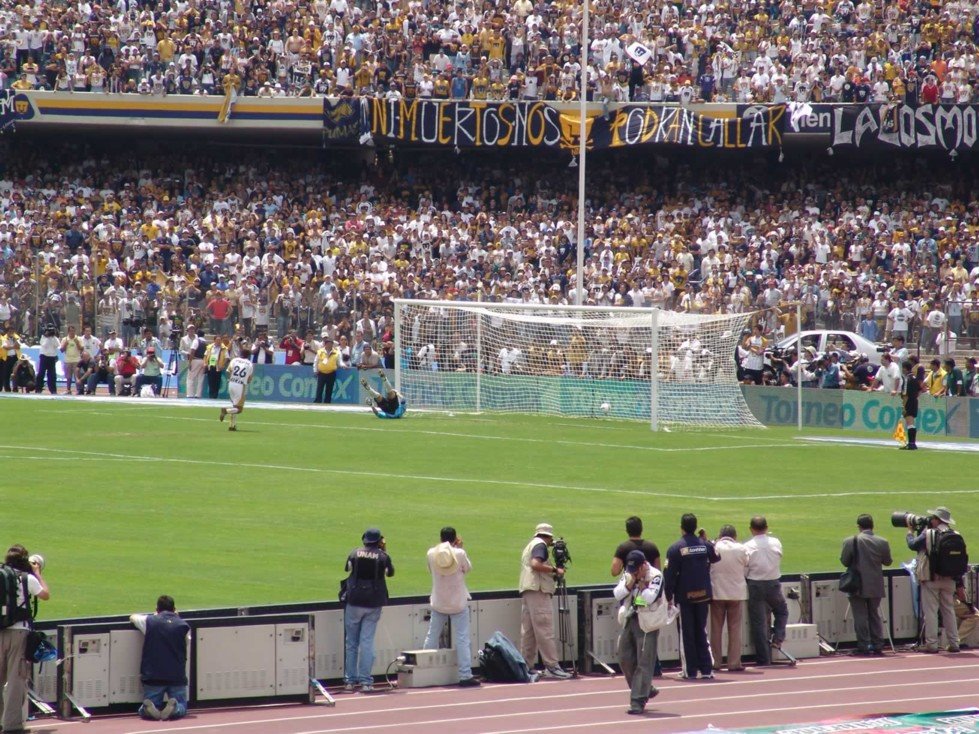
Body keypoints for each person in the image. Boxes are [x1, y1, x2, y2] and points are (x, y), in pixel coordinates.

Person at [0, 545, 50, 734]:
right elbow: (45, 594)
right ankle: (12, 726)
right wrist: (37, 573)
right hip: (18, 632)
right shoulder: (26, 578)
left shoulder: (2, 576)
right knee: (15, 679)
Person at [664, 513, 720, 679]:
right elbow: (716, 556)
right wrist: (706, 540)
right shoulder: (704, 545)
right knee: (701, 631)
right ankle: (707, 669)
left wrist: (668, 596)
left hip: (685, 596)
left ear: (681, 527)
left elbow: (670, 575)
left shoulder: (675, 548)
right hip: (703, 595)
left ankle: (690, 670)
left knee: (687, 633)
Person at [422, 527, 479, 687]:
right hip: (457, 602)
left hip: (438, 601)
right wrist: (458, 548)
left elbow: (430, 570)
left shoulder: (431, 553)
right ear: (455, 538)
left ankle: (424, 673)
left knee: (432, 636)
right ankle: (465, 675)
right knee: (462, 639)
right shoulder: (459, 553)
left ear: (440, 538)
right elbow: (467, 568)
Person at [517, 523, 572, 679]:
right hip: (538, 590)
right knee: (545, 629)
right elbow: (536, 564)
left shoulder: (531, 545)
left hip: (529, 590)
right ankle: (552, 666)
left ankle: (526, 666)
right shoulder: (540, 546)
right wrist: (555, 570)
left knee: (528, 632)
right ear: (547, 536)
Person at [343, 528, 395, 692]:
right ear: (379, 541)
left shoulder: (354, 553)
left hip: (354, 600)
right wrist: (383, 552)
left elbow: (347, 569)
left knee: (351, 643)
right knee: (366, 642)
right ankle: (366, 682)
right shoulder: (383, 556)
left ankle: (350, 681)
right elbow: (390, 573)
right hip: (373, 602)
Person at [907, 507, 964, 653]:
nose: (931, 519)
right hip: (950, 578)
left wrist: (909, 533)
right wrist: (959, 583)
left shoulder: (929, 533)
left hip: (931, 577)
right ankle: (954, 643)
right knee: (949, 611)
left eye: (933, 517)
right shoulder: (956, 534)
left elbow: (913, 545)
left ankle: (931, 644)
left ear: (937, 520)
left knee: (931, 611)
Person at [613, 549, 663, 715]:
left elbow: (650, 598)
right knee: (624, 658)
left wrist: (642, 586)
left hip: (648, 622)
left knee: (644, 662)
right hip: (630, 618)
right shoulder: (629, 575)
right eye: (631, 569)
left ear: (643, 565)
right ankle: (646, 687)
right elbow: (617, 593)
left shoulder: (656, 576)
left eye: (636, 569)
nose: (633, 572)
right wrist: (630, 583)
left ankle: (637, 701)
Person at [130, 595, 190, 721]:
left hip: (153, 675)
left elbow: (133, 617)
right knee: (182, 705)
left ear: (157, 609)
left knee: (151, 703)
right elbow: (186, 642)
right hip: (176, 676)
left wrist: (154, 615)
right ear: (174, 609)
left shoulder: (149, 621)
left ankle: (147, 708)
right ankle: (176, 708)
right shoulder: (183, 625)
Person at [840, 514, 892, 655]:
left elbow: (844, 561)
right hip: (875, 583)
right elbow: (888, 562)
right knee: (874, 614)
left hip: (857, 583)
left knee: (860, 615)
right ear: (872, 525)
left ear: (859, 526)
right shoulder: (882, 542)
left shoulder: (850, 541)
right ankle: (878, 644)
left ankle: (864, 645)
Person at [744, 515, 789, 666]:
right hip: (773, 583)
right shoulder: (775, 542)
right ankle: (778, 638)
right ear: (767, 528)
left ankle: (764, 659)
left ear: (751, 529)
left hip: (755, 584)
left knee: (759, 623)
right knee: (782, 611)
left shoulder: (748, 546)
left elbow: (745, 567)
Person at [709, 524, 748, 672]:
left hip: (717, 592)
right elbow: (747, 563)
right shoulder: (741, 548)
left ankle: (715, 661)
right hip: (735, 593)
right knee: (735, 628)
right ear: (735, 536)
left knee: (716, 629)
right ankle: (734, 662)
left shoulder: (714, 547)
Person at [220, 347, 254, 432]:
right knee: (239, 409)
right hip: (240, 385)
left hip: (231, 383)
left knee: (234, 405)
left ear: (240, 353)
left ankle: (232, 425)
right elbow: (249, 379)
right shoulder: (249, 364)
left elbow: (228, 371)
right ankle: (225, 411)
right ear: (248, 356)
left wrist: (231, 379)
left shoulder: (234, 360)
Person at [179, 324, 206, 398]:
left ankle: (192, 394)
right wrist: (187, 353)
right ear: (187, 330)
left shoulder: (197, 339)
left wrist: (190, 361)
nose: (192, 330)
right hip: (187, 359)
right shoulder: (184, 339)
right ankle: (195, 394)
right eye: (190, 329)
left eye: (193, 329)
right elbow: (181, 350)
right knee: (196, 378)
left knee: (193, 378)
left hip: (195, 359)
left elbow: (193, 350)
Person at [900, 360, 922, 450]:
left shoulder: (907, 379)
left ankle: (912, 444)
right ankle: (912, 443)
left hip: (909, 402)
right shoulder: (914, 378)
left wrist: (904, 406)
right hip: (914, 401)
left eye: (902, 368)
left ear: (905, 369)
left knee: (910, 423)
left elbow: (905, 395)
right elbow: (920, 390)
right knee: (911, 422)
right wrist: (915, 397)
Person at [313, 336, 340, 404]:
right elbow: (316, 361)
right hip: (321, 373)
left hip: (331, 373)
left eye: (330, 343)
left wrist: (342, 366)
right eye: (328, 343)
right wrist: (315, 370)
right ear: (325, 344)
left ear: (332, 344)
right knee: (319, 389)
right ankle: (317, 401)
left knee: (329, 389)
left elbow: (339, 362)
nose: (329, 344)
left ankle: (327, 403)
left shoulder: (336, 352)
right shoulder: (320, 351)